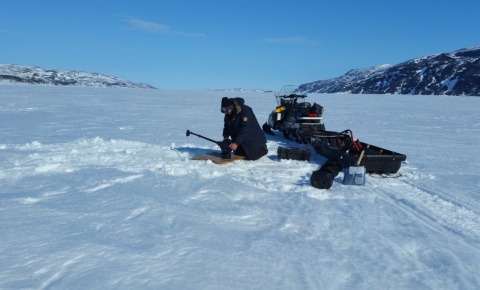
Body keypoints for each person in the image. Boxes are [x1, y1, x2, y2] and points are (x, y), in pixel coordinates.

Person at [221, 96, 268, 161]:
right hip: (241, 138)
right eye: (223, 110)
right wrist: (225, 137)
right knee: (239, 155)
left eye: (226, 110)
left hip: (253, 137)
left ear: (231, 107)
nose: (225, 112)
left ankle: (263, 149)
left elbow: (245, 128)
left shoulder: (245, 111)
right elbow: (227, 126)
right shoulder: (228, 114)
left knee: (250, 157)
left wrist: (236, 143)